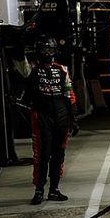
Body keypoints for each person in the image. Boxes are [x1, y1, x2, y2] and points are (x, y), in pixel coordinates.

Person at [25, 36, 78, 205]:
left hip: (61, 117)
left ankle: (54, 189)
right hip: (42, 117)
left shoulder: (62, 69)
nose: (47, 53)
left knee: (59, 154)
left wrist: (74, 118)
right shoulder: (32, 68)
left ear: (55, 51)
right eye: (44, 49)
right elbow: (19, 62)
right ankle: (39, 189)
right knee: (42, 154)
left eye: (50, 49)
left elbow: (69, 94)